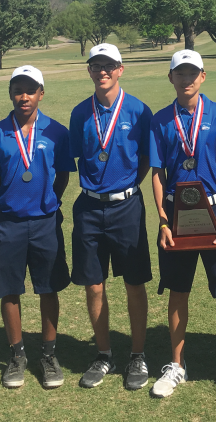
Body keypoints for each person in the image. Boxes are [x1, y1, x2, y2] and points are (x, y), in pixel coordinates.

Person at [148, 49, 216, 402]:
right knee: (178, 291)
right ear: (171, 77)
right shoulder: (161, 120)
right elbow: (157, 173)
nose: (187, 79)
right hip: (177, 217)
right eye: (180, 73)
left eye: (193, 73)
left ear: (203, 76)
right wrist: (162, 219)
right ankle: (177, 364)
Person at [0, 65, 75, 389]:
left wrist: (48, 201)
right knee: (9, 290)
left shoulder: (56, 132)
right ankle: (17, 354)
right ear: (10, 93)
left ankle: (48, 354)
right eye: (18, 90)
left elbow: (62, 174)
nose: (24, 96)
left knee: (48, 287)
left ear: (41, 93)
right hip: (8, 223)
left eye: (30, 90)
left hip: (45, 222)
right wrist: (10, 202)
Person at [68, 44, 153, 390]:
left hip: (127, 206)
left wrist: (128, 187)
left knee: (134, 283)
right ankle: (103, 354)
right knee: (94, 284)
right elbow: (78, 159)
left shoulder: (138, 110)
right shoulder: (79, 113)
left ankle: (137, 355)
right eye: (95, 66)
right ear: (89, 71)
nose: (102, 71)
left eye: (108, 66)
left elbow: (147, 158)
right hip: (89, 207)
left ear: (121, 69)